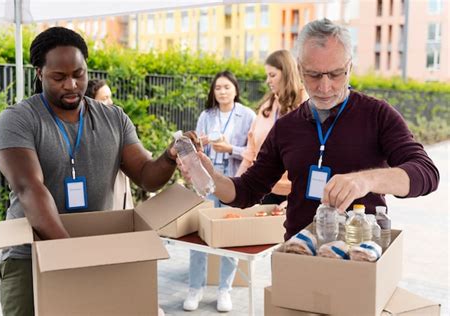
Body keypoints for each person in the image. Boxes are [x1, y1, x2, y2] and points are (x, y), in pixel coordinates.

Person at [180, 18, 439, 243]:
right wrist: (211, 178)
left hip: (360, 257)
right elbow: (248, 190)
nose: (325, 87)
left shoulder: (378, 115)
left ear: (349, 66)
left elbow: (427, 173)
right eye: (314, 75)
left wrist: (366, 180)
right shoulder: (286, 126)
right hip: (299, 252)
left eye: (336, 74)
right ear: (299, 69)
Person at [0, 27, 178, 316]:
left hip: (96, 252)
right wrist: (74, 256)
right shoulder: (17, 120)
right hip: (30, 255)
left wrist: (169, 156)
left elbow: (146, 174)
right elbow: (30, 189)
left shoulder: (114, 118)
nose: (71, 85)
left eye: (78, 74)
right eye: (59, 77)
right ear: (39, 73)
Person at [183, 71, 255, 312]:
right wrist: (200, 144)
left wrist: (230, 148)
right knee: (199, 233)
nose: (222, 92)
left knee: (228, 235)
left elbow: (252, 151)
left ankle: (225, 289)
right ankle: (196, 287)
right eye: (218, 88)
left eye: (226, 87)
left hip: (233, 182)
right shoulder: (207, 115)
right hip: (207, 182)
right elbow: (195, 148)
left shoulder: (247, 116)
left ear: (235, 89)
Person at [236, 50, 307, 206]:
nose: (268, 80)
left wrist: (298, 195)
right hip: (266, 191)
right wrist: (236, 188)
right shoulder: (267, 107)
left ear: (287, 73)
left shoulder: (307, 104)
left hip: (297, 194)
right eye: (267, 75)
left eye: (272, 75)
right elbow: (251, 153)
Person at [86, 78, 134, 210]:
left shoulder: (117, 126)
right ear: (91, 101)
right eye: (104, 98)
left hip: (122, 202)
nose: (111, 102)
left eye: (110, 97)